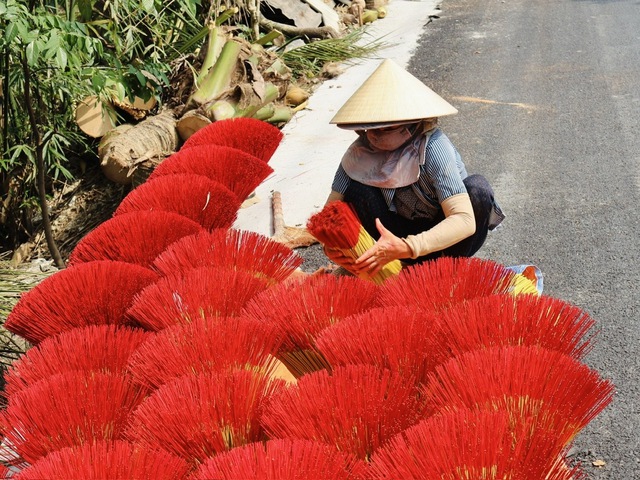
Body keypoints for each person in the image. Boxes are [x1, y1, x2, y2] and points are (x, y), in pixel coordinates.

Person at [323, 59, 504, 277]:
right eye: (368, 129)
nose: (373, 136)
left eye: (385, 129)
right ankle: (396, 267)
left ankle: (442, 271)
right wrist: (332, 247)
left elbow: (464, 220)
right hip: (392, 236)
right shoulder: (359, 154)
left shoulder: (434, 147)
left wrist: (410, 247)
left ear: (412, 125)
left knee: (478, 190)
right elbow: (329, 214)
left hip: (444, 242)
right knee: (355, 190)